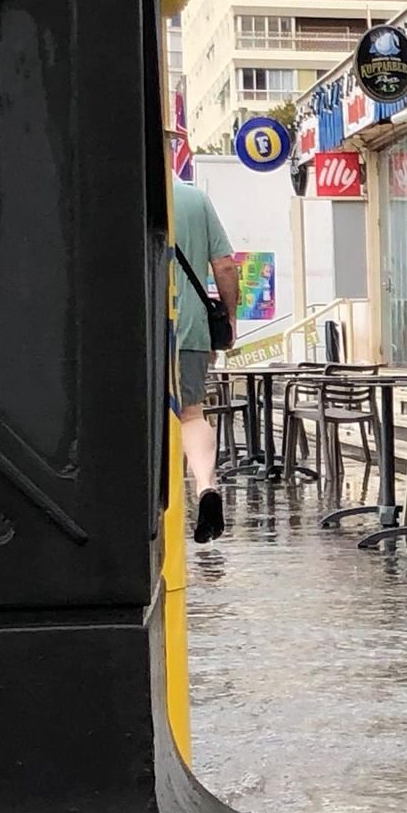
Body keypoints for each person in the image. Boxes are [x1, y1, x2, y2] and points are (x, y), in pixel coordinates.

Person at [170, 179, 237, 544]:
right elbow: (224, 266)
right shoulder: (195, 199)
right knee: (191, 413)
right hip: (191, 327)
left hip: (134, 330)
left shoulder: (119, 188)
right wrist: (228, 318)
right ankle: (205, 486)